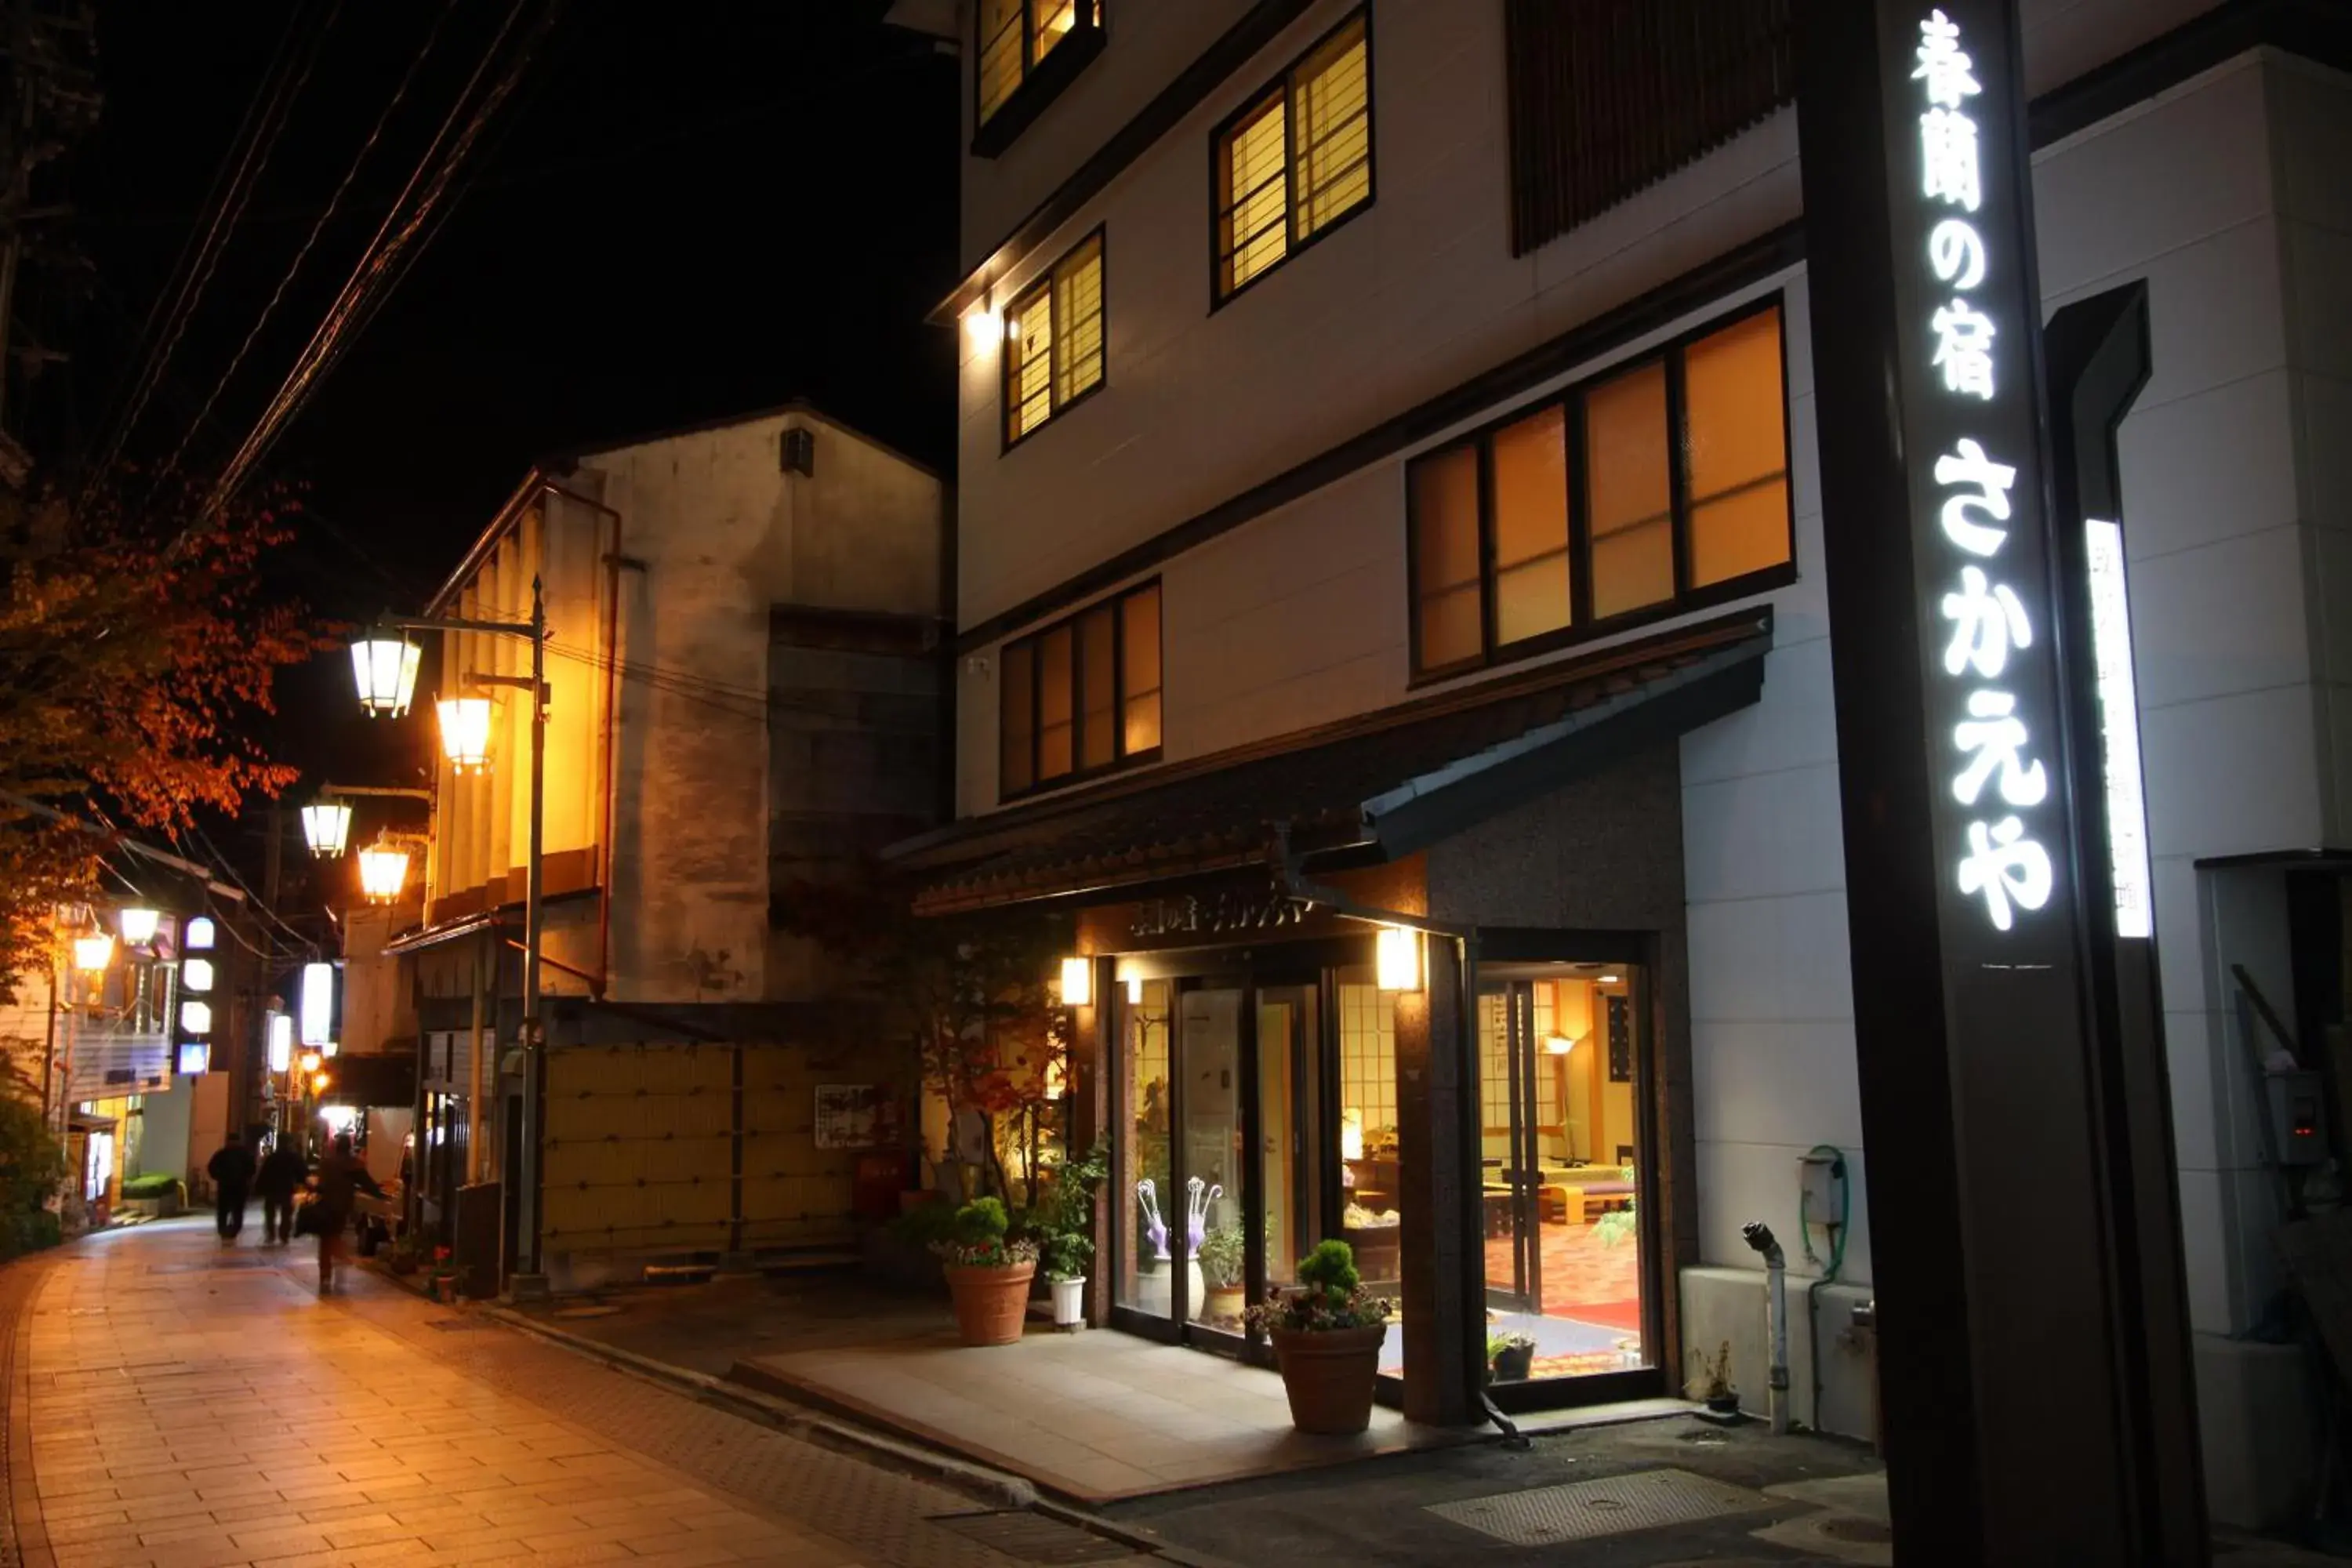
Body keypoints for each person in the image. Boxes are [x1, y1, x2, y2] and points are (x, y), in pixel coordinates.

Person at [313, 1131, 383, 1294]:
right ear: (350, 1147)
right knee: (335, 1235)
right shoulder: (353, 1164)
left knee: (325, 1239)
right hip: (342, 1207)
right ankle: (340, 1260)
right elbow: (367, 1183)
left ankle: (325, 1273)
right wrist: (380, 1194)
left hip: (325, 1205)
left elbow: (321, 1186)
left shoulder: (327, 1163)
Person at [205, 1131, 256, 1243]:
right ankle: (234, 1230)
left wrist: (218, 1177)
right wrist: (246, 1178)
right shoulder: (245, 1154)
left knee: (223, 1210)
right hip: (240, 1186)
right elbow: (252, 1169)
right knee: (238, 1210)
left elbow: (211, 1167)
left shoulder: (222, 1154)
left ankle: (223, 1230)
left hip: (225, 1186)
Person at [255, 1138, 307, 1246]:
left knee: (270, 1213)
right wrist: (301, 1183)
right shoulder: (294, 1158)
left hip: (272, 1188)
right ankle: (284, 1235)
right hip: (287, 1187)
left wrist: (259, 1188)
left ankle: (271, 1234)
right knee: (286, 1212)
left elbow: (264, 1173)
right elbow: (302, 1172)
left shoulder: (272, 1158)